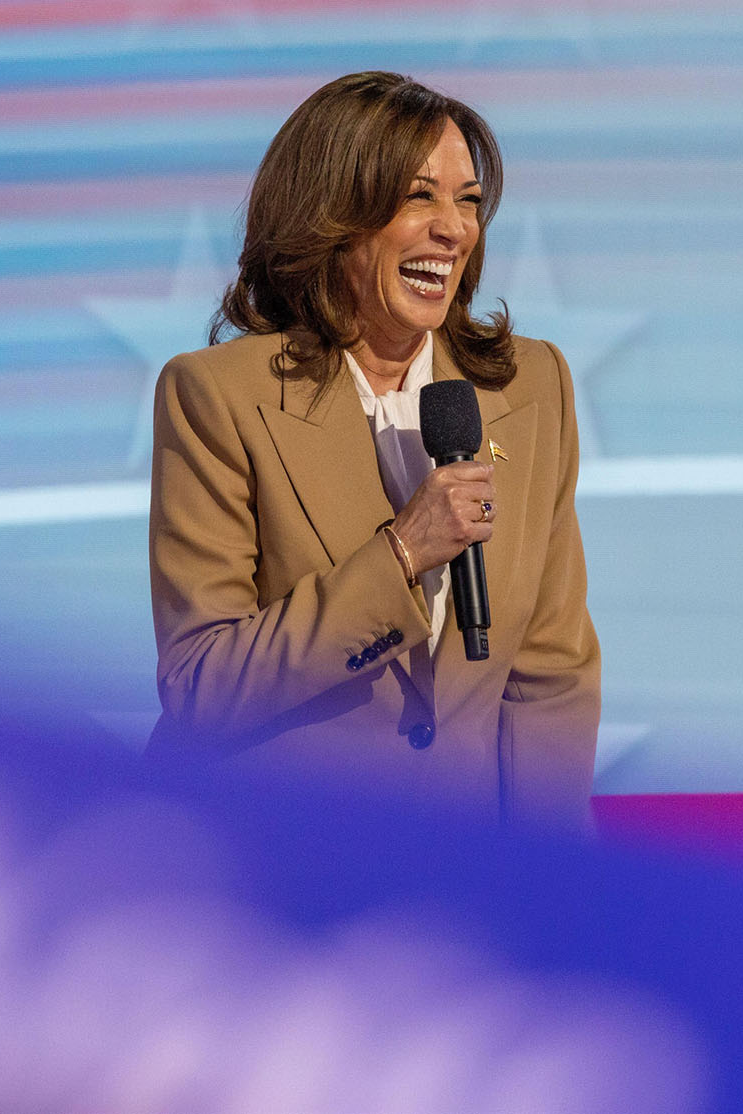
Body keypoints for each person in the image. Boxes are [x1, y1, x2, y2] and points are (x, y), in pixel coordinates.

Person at [144, 71, 599, 830]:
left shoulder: (530, 387)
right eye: (418, 196)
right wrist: (398, 556)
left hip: (455, 877)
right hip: (271, 862)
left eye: (468, 200)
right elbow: (201, 685)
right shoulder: (215, 396)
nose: (453, 229)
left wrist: (545, 887)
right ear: (330, 216)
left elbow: (549, 678)